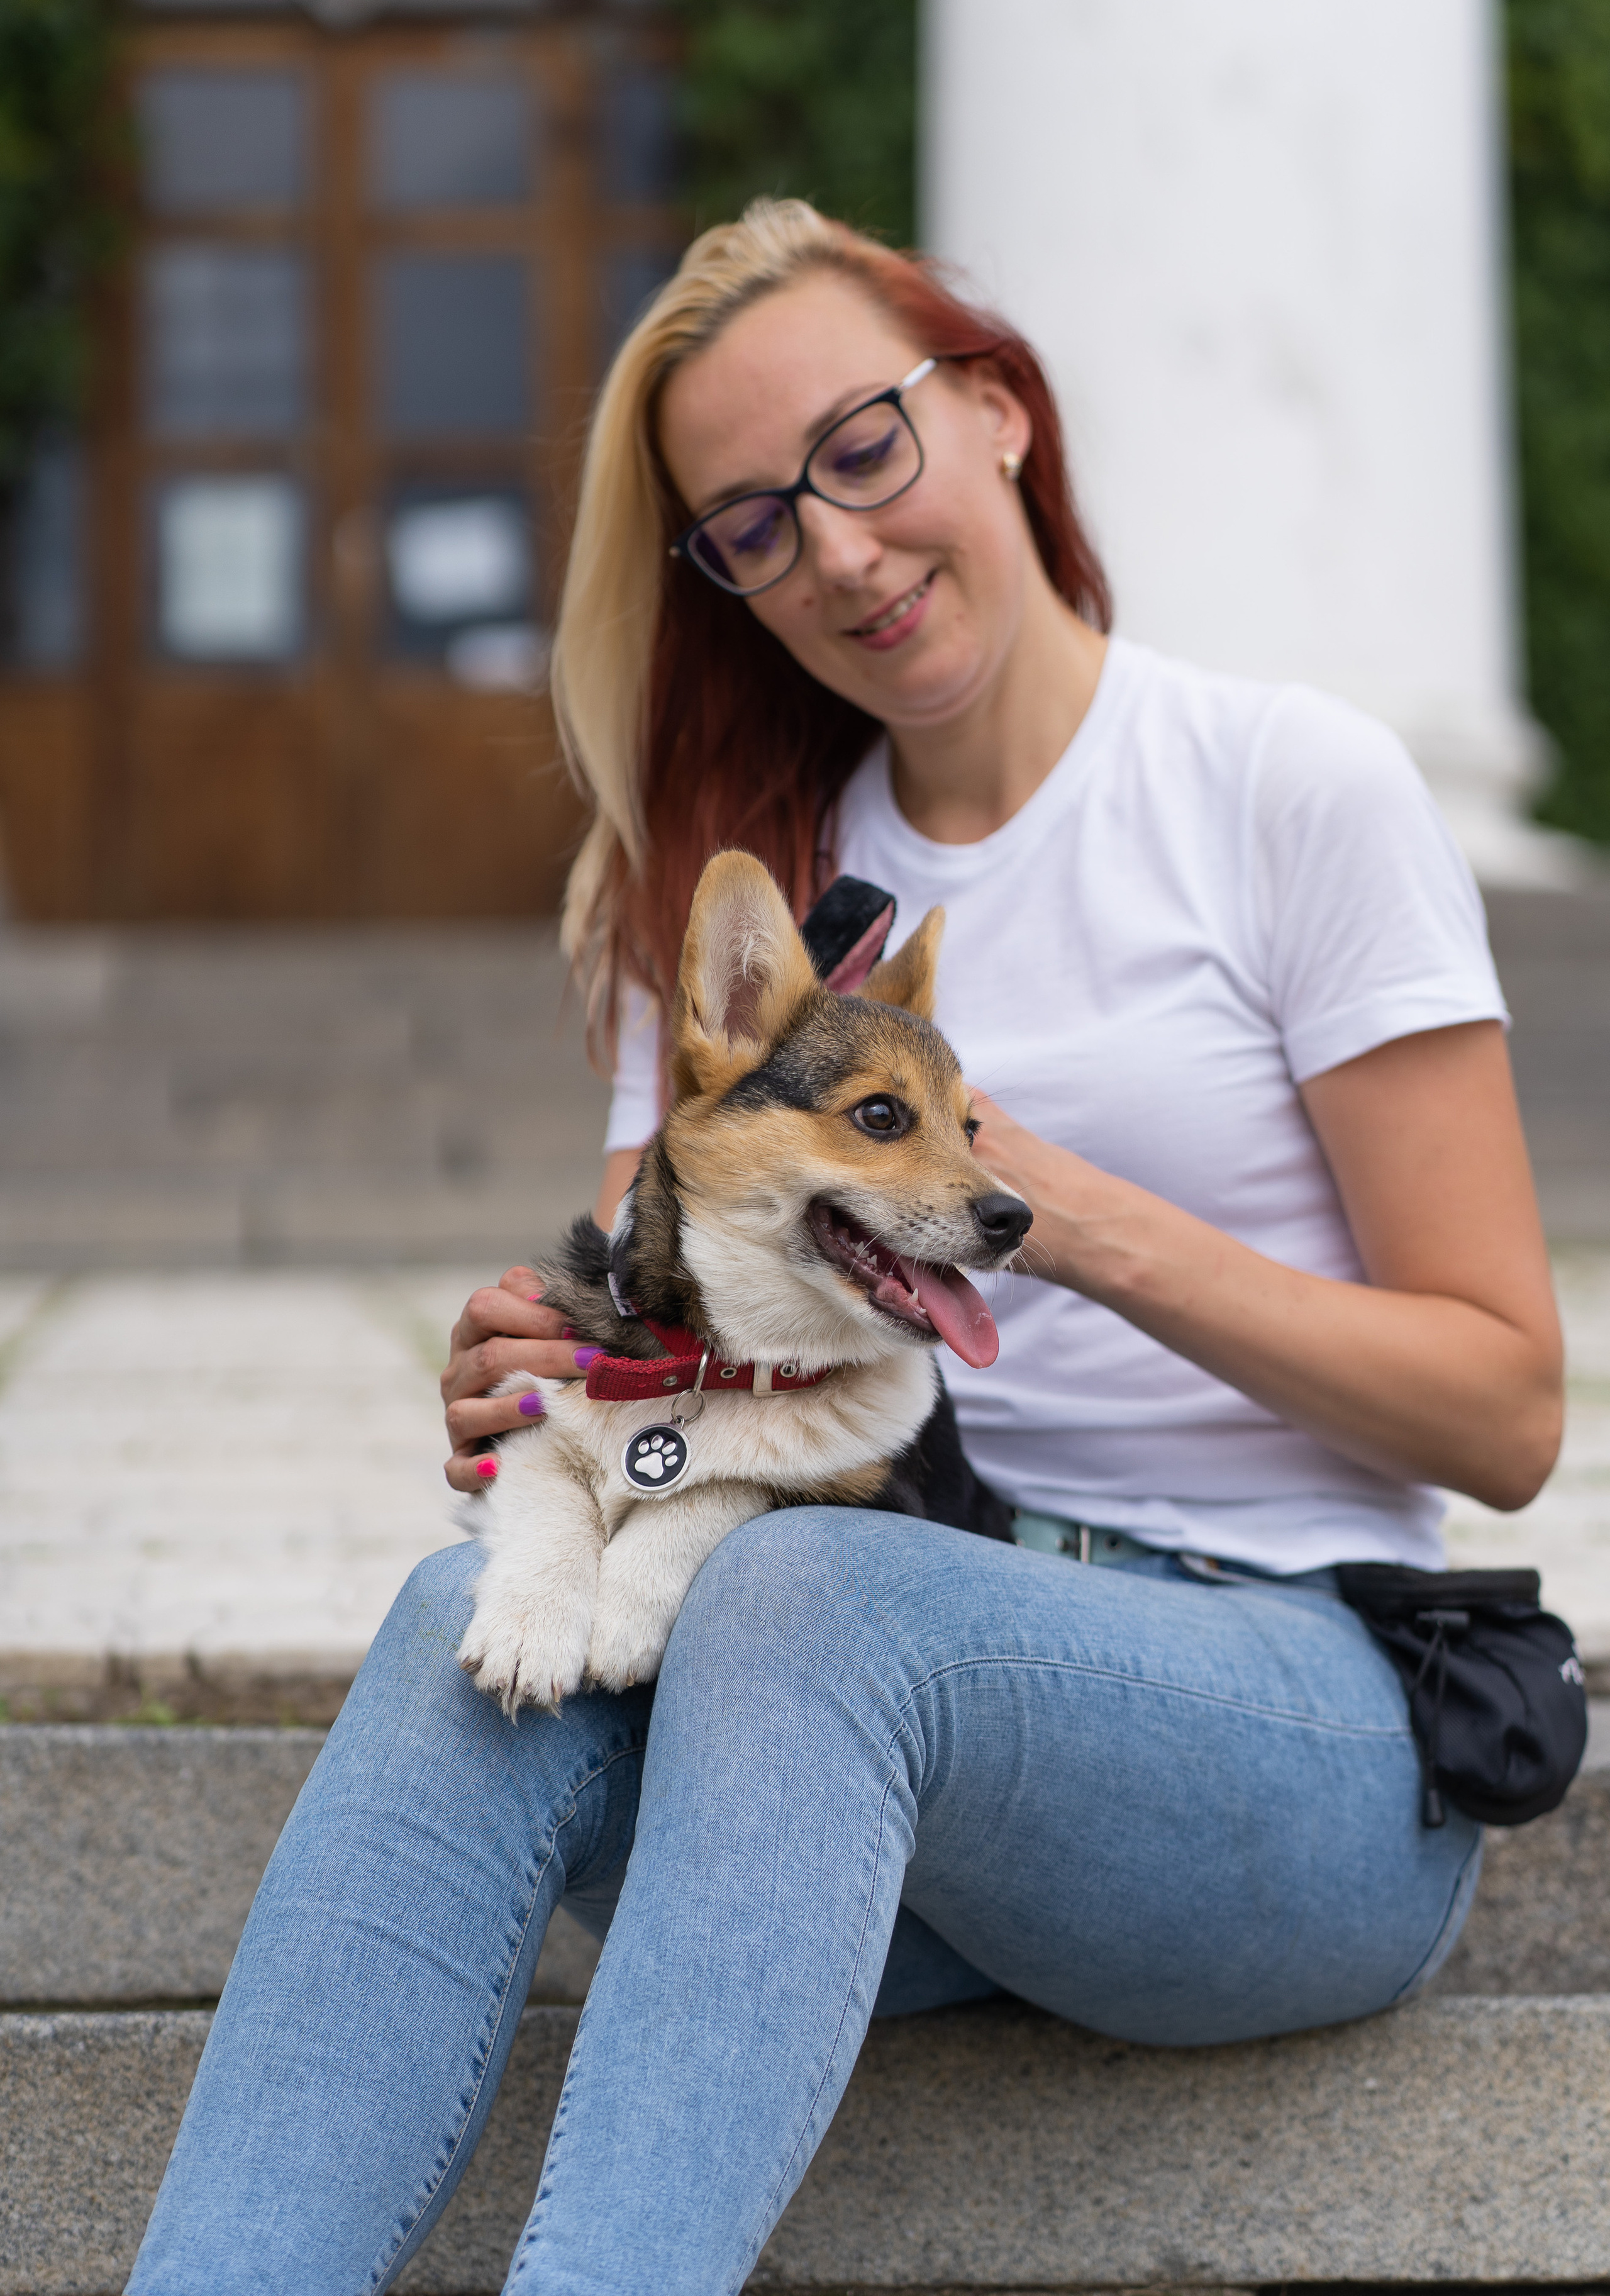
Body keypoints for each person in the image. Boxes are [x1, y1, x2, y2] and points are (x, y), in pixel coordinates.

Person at [129, 200, 1563, 2296]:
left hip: (1286, 1728)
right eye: (754, 524)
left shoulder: (1284, 789)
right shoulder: (746, 909)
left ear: (994, 412)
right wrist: (559, 1367)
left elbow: (1511, 1406)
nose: (841, 549)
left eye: (866, 451)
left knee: (807, 1597)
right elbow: (670, 1388)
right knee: (478, 1619)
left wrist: (1051, 1216)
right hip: (861, 1774)